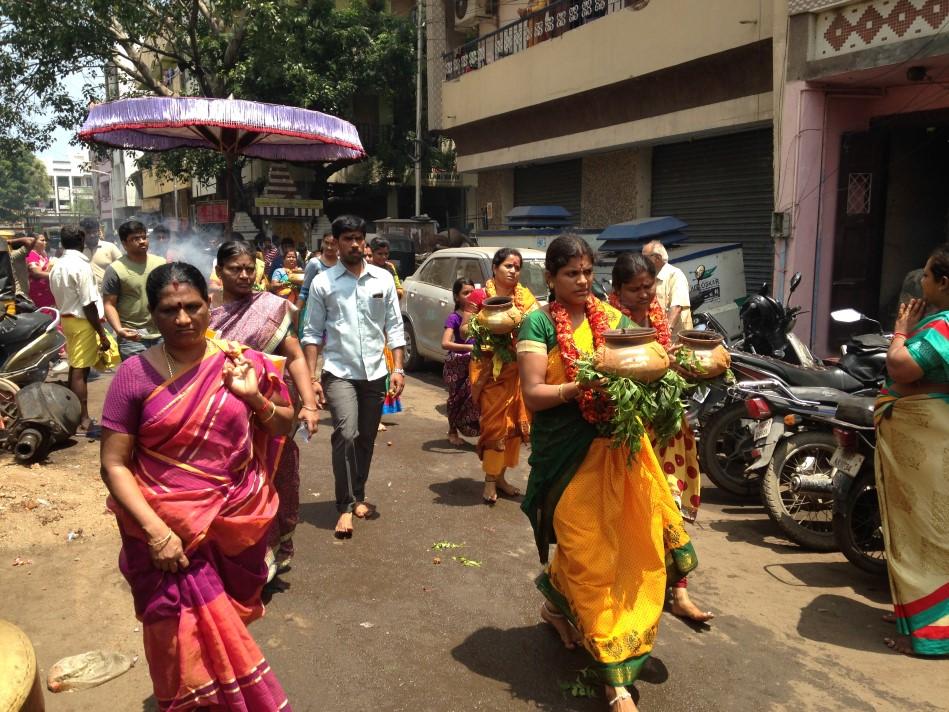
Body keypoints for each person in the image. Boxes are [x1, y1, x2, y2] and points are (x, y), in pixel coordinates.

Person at [99, 263, 294, 710]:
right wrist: (157, 533)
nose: (184, 318)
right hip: (165, 535)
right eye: (170, 310)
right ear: (152, 315)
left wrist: (253, 397)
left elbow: (283, 421)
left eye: (193, 306)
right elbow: (113, 465)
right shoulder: (133, 375)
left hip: (233, 523)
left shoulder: (242, 362)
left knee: (225, 628)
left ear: (211, 306)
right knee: (176, 635)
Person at [517, 234, 697, 711]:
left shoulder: (612, 318)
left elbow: (648, 361)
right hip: (569, 459)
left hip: (622, 451)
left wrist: (673, 372)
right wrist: (581, 387)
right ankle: (614, 681)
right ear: (550, 278)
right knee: (590, 555)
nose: (581, 281)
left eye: (587, 272)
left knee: (630, 546)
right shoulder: (538, 322)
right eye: (571, 273)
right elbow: (534, 393)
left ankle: (557, 608)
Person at [609, 252, 713, 623]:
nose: (644, 294)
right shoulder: (608, 324)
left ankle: (680, 592)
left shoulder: (660, 321)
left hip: (669, 432)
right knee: (631, 518)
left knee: (672, 505)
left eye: (648, 286)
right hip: (629, 436)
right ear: (616, 291)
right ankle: (626, 592)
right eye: (634, 288)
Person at [210, 240, 320, 575]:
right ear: (219, 271)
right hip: (222, 413)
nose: (244, 275)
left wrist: (310, 404)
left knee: (275, 478)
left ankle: (270, 550)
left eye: (248, 268)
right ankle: (229, 552)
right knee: (229, 483)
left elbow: (295, 356)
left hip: (271, 410)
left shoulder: (272, 307)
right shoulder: (203, 309)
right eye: (235, 269)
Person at [301, 215, 405, 539]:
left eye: (359, 237)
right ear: (335, 242)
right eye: (348, 238)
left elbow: (395, 325)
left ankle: (358, 494)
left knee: (366, 438)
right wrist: (313, 378)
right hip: (339, 371)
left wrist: (398, 368)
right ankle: (344, 506)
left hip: (375, 371)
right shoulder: (323, 282)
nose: (355, 243)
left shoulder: (383, 279)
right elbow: (311, 333)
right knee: (346, 433)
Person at [875, 244, 949, 657]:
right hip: (932, 435)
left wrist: (902, 329)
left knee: (927, 532)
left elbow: (901, 367)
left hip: (931, 438)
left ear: (944, 283)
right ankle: (917, 613)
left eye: (926, 276)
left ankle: (931, 635)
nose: (920, 283)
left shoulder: (943, 327)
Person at [470, 247, 537, 505]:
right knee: (495, 426)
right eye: (508, 265)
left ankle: (501, 478)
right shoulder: (479, 295)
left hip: (516, 370)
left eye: (517, 267)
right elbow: (465, 327)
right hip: (489, 371)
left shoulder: (526, 298)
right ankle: (489, 481)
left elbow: (537, 323)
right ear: (495, 268)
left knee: (514, 428)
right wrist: (484, 327)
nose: (513, 271)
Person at [49, 225, 117, 435]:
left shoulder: (57, 264)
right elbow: (88, 304)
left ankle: (77, 415)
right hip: (82, 322)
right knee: (80, 371)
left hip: (68, 320)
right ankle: (83, 420)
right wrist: (101, 333)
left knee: (76, 367)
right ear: (81, 240)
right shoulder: (81, 266)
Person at [102, 221, 166, 361]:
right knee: (138, 380)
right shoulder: (115, 269)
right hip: (132, 338)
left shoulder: (161, 263)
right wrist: (119, 330)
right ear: (124, 244)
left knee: (165, 378)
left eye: (144, 237)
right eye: (135, 239)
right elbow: (109, 304)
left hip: (162, 334)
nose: (142, 241)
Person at [369, 236, 404, 424]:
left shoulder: (390, 269)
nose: (383, 257)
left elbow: (399, 290)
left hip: (387, 324)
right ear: (372, 253)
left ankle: (380, 413)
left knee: (388, 369)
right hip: (373, 325)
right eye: (379, 254)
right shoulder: (365, 269)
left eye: (385, 254)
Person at [442, 278, 479, 446]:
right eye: (466, 293)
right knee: (455, 399)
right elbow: (445, 343)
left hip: (475, 364)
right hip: (456, 364)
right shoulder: (454, 318)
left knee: (474, 397)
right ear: (457, 297)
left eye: (473, 292)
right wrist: (469, 348)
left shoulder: (479, 316)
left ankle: (474, 428)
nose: (470, 296)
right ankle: (452, 431)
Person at [642, 239, 692, 335]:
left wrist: (665, 333)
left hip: (676, 339)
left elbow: (676, 307)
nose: (641, 261)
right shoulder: (647, 277)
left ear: (657, 258)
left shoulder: (676, 275)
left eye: (644, 257)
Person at [79, 217, 122, 289]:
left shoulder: (110, 248)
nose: (92, 235)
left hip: (107, 294)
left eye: (94, 232)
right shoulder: (79, 250)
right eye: (88, 233)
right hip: (85, 294)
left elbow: (122, 268)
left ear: (99, 231)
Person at [26, 233, 55, 308]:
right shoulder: (31, 255)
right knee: (45, 316)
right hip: (39, 293)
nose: (45, 242)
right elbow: (36, 273)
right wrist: (56, 275)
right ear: (34, 243)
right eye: (42, 240)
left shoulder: (42, 255)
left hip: (47, 291)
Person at [7, 231, 35, 299]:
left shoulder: (16, 257)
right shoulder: (16, 255)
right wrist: (9, 241)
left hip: (20, 294)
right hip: (19, 295)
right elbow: (31, 240)